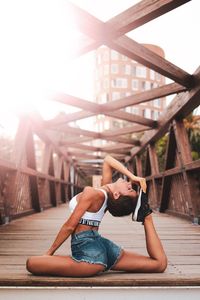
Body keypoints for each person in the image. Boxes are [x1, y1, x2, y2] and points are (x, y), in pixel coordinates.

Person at [26, 155, 167, 276]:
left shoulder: (91, 193)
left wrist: (49, 253)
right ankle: (146, 216)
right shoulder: (105, 195)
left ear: (117, 195)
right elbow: (107, 160)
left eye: (129, 189)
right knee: (159, 264)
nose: (130, 183)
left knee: (31, 263)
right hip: (106, 248)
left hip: (89, 258)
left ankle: (146, 216)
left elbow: (69, 227)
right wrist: (132, 175)